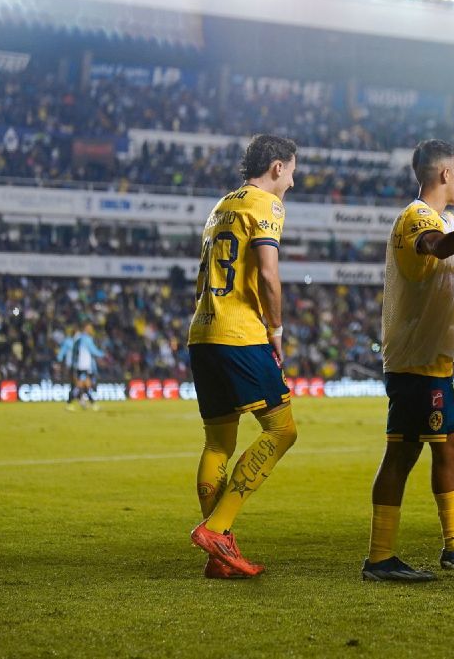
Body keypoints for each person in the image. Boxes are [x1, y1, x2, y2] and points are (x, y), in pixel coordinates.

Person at [363, 140, 454, 581]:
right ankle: (379, 558)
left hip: (431, 362)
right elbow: (433, 246)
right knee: (403, 453)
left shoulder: (447, 220)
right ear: (444, 175)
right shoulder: (418, 218)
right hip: (414, 362)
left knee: (443, 444)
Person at [187, 134, 300, 579]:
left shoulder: (221, 206)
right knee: (282, 430)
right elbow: (268, 275)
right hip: (240, 332)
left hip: (202, 330)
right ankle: (217, 529)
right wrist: (276, 329)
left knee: (218, 442)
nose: (292, 181)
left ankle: (219, 554)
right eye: (291, 170)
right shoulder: (266, 205)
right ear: (276, 167)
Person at [58, 325, 104, 411]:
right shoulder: (86, 339)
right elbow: (93, 351)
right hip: (82, 366)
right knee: (78, 386)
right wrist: (102, 354)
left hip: (78, 366)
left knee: (86, 386)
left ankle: (90, 403)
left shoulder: (78, 339)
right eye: (90, 329)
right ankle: (69, 403)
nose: (91, 330)